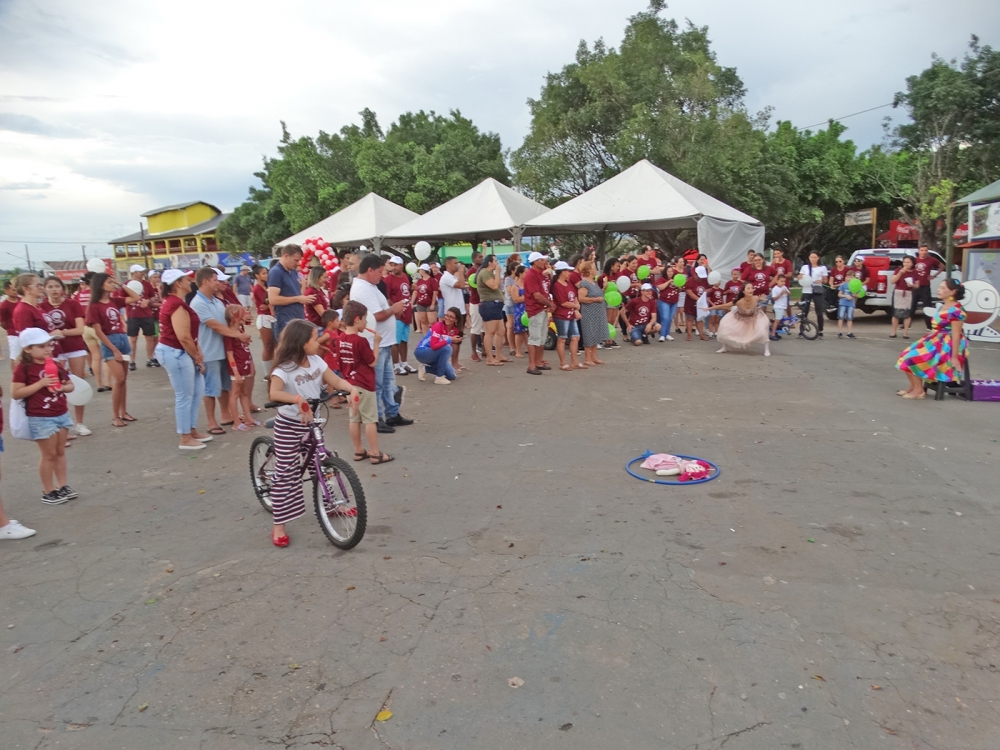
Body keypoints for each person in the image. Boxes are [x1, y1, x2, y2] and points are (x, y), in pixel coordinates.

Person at [267, 319, 360, 547]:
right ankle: (279, 525)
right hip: (289, 424)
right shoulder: (284, 369)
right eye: (313, 339)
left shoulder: (316, 361)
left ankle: (331, 504)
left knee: (322, 462)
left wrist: (351, 389)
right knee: (286, 473)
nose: (318, 342)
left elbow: (335, 379)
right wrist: (296, 399)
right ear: (301, 343)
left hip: (313, 422)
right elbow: (274, 393)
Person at [11, 328, 76, 503]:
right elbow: (16, 393)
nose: (47, 349)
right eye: (41, 346)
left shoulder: (55, 363)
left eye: (49, 345)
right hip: (40, 416)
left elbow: (70, 385)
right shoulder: (23, 368)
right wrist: (41, 383)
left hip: (60, 412)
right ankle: (48, 491)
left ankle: (63, 486)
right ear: (27, 349)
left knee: (60, 451)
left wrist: (62, 387)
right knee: (49, 455)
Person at [349, 254, 412, 432]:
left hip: (382, 341)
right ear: (370, 270)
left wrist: (392, 309)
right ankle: (377, 418)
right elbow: (374, 316)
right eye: (379, 271)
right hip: (374, 342)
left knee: (387, 381)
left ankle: (391, 414)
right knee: (377, 383)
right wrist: (393, 309)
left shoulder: (369, 286)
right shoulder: (363, 289)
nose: (382, 275)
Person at [154, 269, 212, 450]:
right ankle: (185, 437)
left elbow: (189, 336)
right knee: (185, 395)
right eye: (186, 279)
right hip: (176, 352)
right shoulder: (176, 304)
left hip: (180, 351)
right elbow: (183, 336)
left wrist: (197, 352)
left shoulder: (177, 302)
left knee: (196, 391)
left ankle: (191, 429)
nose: (190, 281)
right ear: (178, 283)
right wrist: (196, 356)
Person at [190, 267, 249, 435]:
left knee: (225, 386)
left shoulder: (215, 300)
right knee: (210, 389)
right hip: (210, 352)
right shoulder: (198, 303)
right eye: (215, 280)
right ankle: (211, 422)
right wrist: (237, 335)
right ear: (205, 281)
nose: (219, 283)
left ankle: (225, 415)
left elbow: (227, 321)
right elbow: (214, 325)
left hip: (223, 350)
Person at [897, 278, 967, 400]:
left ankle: (919, 390)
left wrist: (954, 357)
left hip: (946, 344)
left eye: (943, 288)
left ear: (953, 292)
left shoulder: (957, 311)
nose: (939, 290)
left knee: (912, 358)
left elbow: (956, 334)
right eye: (940, 287)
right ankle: (913, 386)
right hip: (935, 339)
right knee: (905, 355)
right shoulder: (944, 306)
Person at [338, 303, 390, 462]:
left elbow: (340, 362)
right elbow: (372, 362)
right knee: (370, 420)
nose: (366, 323)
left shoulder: (341, 338)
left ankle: (359, 450)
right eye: (365, 319)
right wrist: (376, 342)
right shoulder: (360, 341)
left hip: (350, 383)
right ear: (357, 319)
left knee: (354, 419)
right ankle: (375, 453)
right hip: (364, 384)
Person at [86, 273, 140, 427]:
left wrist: (120, 284)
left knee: (123, 380)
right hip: (110, 341)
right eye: (109, 282)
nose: (113, 284)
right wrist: (113, 349)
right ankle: (115, 415)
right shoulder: (94, 306)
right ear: (101, 285)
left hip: (122, 338)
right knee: (119, 379)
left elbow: (135, 297)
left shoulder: (114, 301)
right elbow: (98, 331)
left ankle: (124, 411)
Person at [41, 276, 90, 436]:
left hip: (74, 347)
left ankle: (80, 422)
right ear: (45, 289)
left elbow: (80, 329)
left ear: (62, 288)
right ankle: (62, 425)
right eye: (50, 286)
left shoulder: (73, 304)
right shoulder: (41, 307)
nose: (54, 290)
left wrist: (62, 332)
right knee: (57, 386)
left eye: (57, 286)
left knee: (77, 383)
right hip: (53, 351)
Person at [267, 244, 315, 343]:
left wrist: (303, 295)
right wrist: (298, 299)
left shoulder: (293, 272)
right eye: (296, 260)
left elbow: (296, 294)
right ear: (286, 256)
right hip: (286, 322)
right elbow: (273, 299)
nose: (298, 263)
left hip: (297, 320)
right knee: (288, 354)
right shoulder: (276, 272)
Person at [224, 304, 257, 431]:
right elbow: (230, 355)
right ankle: (236, 421)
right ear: (235, 318)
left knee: (243, 393)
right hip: (237, 368)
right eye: (243, 314)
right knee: (235, 394)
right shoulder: (230, 335)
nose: (246, 316)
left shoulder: (240, 332)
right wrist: (236, 372)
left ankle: (248, 418)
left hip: (244, 366)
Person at [12, 273, 58, 364]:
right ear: (25, 289)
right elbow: (27, 340)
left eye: (41, 285)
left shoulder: (36, 306)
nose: (41, 288)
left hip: (50, 353)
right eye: (37, 285)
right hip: (40, 359)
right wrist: (51, 334)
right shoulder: (23, 310)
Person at [716, 282, 772, 356]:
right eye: (748, 288)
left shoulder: (755, 297)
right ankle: (724, 347)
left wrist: (762, 299)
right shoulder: (739, 301)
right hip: (741, 316)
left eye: (752, 288)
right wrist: (708, 308)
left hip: (755, 316)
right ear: (743, 291)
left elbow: (761, 299)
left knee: (762, 329)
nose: (751, 290)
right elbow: (724, 305)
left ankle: (767, 349)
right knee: (724, 325)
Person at [523, 251, 555, 375]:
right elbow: (536, 295)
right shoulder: (531, 275)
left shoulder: (541, 274)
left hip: (542, 308)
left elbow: (548, 288)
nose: (544, 262)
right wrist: (550, 303)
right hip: (535, 309)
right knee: (535, 338)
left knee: (541, 338)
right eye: (541, 260)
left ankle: (538, 362)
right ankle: (531, 365)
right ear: (535, 261)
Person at [74, 272, 107, 392]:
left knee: (95, 356)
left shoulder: (79, 295)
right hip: (97, 326)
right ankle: (107, 382)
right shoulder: (97, 294)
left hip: (85, 327)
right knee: (107, 356)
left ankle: (99, 383)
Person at [383, 257, 416, 375]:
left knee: (404, 340)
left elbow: (405, 293)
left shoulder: (405, 277)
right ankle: (396, 365)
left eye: (395, 265)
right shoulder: (388, 279)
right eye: (391, 265)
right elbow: (386, 298)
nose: (393, 267)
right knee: (395, 341)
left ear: (401, 265)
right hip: (397, 315)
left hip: (406, 312)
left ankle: (404, 363)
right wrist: (395, 310)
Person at [124, 264, 160, 370]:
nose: (142, 273)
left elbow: (153, 297)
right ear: (133, 273)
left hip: (146, 314)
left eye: (142, 271)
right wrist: (129, 301)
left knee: (149, 337)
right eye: (139, 271)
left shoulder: (146, 284)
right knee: (133, 339)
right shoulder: (126, 284)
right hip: (132, 315)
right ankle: (132, 361)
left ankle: (150, 358)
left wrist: (148, 301)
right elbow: (120, 297)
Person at [415, 307, 462, 384]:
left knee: (452, 376)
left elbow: (444, 350)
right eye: (447, 315)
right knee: (447, 348)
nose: (447, 318)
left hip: (434, 354)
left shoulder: (455, 331)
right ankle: (439, 377)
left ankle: (425, 368)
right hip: (422, 352)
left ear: (456, 320)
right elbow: (434, 346)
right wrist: (450, 340)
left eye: (451, 317)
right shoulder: (438, 325)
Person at [551, 261, 584, 369]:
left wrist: (576, 306)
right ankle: (563, 363)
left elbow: (574, 296)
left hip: (571, 315)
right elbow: (563, 302)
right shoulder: (557, 286)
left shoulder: (568, 283)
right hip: (561, 315)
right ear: (562, 272)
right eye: (567, 270)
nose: (569, 272)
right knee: (562, 338)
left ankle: (574, 361)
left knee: (575, 337)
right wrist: (575, 306)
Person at [476, 254, 508, 366]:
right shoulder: (484, 273)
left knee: (501, 331)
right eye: (495, 261)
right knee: (490, 332)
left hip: (496, 305)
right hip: (489, 305)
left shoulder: (490, 273)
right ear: (489, 262)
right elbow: (494, 286)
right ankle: (490, 358)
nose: (497, 263)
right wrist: (498, 272)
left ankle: (499, 355)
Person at [438, 257, 468, 371]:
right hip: (452, 312)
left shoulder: (452, 276)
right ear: (448, 265)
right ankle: (451, 364)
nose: (457, 265)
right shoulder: (446, 277)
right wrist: (461, 271)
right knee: (453, 338)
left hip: (460, 311)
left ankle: (456, 362)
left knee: (458, 338)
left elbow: (462, 284)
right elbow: (460, 285)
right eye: (455, 263)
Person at [576, 260, 606, 366]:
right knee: (589, 333)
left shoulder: (594, 282)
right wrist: (595, 299)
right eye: (594, 268)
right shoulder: (584, 283)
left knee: (596, 333)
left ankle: (594, 356)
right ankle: (587, 358)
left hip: (597, 311)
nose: (596, 270)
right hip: (589, 312)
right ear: (589, 270)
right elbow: (581, 298)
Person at [911, 245, 944, 329]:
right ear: (918, 251)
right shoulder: (914, 260)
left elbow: (942, 266)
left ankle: (929, 326)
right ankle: (907, 324)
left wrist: (934, 275)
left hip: (925, 286)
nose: (924, 252)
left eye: (925, 250)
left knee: (927, 306)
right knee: (912, 305)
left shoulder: (931, 260)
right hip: (915, 286)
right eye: (922, 250)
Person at [798, 251, 829, 338]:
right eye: (811, 257)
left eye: (815, 257)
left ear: (818, 258)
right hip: (806, 290)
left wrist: (820, 281)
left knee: (819, 311)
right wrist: (800, 277)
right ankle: (802, 330)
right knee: (804, 311)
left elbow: (825, 280)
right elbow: (800, 276)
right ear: (809, 258)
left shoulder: (822, 268)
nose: (813, 259)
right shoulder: (805, 267)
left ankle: (820, 330)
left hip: (817, 290)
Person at [252, 264, 275, 379]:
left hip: (270, 317)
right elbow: (264, 305)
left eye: (266, 273)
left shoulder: (266, 286)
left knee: (272, 346)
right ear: (257, 275)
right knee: (267, 346)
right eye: (263, 273)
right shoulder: (257, 288)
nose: (266, 275)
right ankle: (267, 373)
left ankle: (271, 370)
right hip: (264, 318)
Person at [890, 257, 916, 339]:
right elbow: (892, 281)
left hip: (908, 293)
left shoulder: (915, 272)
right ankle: (893, 332)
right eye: (904, 262)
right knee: (896, 313)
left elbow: (917, 285)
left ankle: (905, 333)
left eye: (908, 262)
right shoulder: (898, 270)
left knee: (907, 313)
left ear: (912, 263)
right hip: (898, 292)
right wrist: (900, 273)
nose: (906, 264)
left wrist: (912, 285)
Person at [600, 258, 622, 348]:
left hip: (616, 300)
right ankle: (606, 339)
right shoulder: (603, 277)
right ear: (611, 266)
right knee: (608, 320)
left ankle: (611, 338)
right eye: (617, 266)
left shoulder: (617, 276)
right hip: (607, 300)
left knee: (613, 319)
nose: (618, 268)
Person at [654, 265, 680, 343]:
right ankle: (662, 335)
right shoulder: (661, 279)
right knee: (665, 317)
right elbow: (660, 287)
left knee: (669, 318)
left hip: (674, 301)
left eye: (671, 271)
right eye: (668, 271)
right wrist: (668, 281)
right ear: (665, 272)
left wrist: (678, 285)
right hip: (664, 301)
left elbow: (681, 288)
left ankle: (667, 333)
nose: (670, 273)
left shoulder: (676, 279)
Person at [683, 267, 709, 341]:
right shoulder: (690, 281)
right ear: (695, 274)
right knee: (690, 319)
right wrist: (699, 299)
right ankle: (689, 335)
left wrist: (705, 294)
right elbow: (689, 291)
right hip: (690, 303)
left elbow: (709, 288)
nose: (700, 278)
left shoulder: (705, 280)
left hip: (700, 304)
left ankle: (701, 335)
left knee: (699, 319)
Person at [412, 264, 438, 335]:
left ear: (424, 271)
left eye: (420, 270)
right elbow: (416, 291)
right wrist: (412, 302)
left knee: (432, 321)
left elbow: (435, 292)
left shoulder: (432, 280)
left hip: (430, 303)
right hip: (421, 303)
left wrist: (432, 304)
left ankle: (434, 336)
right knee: (423, 321)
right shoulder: (419, 281)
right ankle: (425, 337)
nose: (419, 271)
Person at [509, 265, 528, 358]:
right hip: (520, 309)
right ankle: (518, 351)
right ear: (520, 274)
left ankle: (528, 348)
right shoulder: (515, 286)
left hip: (528, 308)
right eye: (525, 272)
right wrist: (527, 297)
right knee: (519, 331)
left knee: (527, 331)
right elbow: (515, 299)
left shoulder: (527, 284)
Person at [0, 280, 18, 360]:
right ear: (6, 291)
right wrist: (11, 329)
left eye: (16, 289)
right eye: (13, 290)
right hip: (13, 334)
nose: (15, 292)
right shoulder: (4, 306)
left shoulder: (22, 301)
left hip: (24, 332)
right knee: (15, 357)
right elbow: (3, 323)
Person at [837, 271, 858, 339]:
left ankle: (849, 332)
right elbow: (839, 294)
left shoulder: (856, 285)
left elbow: (858, 295)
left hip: (851, 304)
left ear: (854, 278)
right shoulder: (843, 285)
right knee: (841, 317)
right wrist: (845, 296)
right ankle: (840, 332)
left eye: (851, 277)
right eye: (848, 277)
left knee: (850, 318)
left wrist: (854, 295)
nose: (849, 278)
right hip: (843, 303)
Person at [769, 274, 790, 340]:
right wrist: (780, 294)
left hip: (783, 306)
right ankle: (772, 334)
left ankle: (776, 332)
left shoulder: (784, 287)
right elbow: (774, 298)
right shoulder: (775, 289)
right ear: (777, 281)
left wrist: (786, 291)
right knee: (777, 321)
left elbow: (789, 294)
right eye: (781, 281)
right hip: (778, 307)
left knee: (780, 321)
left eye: (784, 281)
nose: (783, 283)